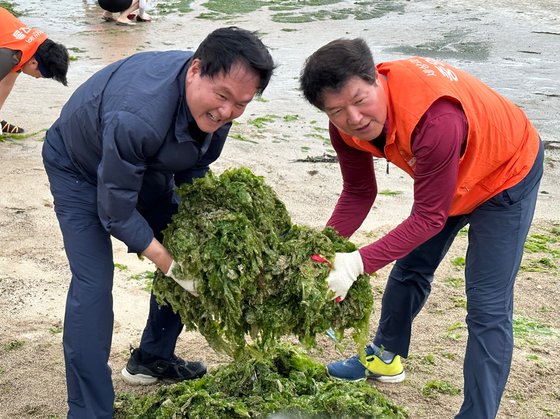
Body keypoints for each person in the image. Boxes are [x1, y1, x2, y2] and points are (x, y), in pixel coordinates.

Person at [299, 38, 543, 418]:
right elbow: (359, 192)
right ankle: (384, 357)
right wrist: (320, 249)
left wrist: (358, 262)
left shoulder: (434, 118)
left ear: (377, 77)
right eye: (337, 111)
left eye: (360, 100)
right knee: (410, 267)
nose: (355, 119)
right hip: (447, 175)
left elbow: (429, 217)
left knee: (487, 306)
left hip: (505, 170)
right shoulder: (344, 128)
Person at [42, 26, 275, 418]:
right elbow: (115, 213)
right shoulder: (139, 116)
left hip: (143, 160)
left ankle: (153, 357)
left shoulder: (223, 101)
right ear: (195, 69)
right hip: (77, 167)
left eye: (241, 104)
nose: (227, 112)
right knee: (94, 283)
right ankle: (88, 412)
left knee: (192, 242)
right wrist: (172, 265)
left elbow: (197, 165)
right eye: (222, 97)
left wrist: (200, 234)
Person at [0, 7, 68, 134]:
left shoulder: (30, 45)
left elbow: (7, 83)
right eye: (39, 75)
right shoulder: (9, 57)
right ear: (33, 63)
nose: (36, 78)